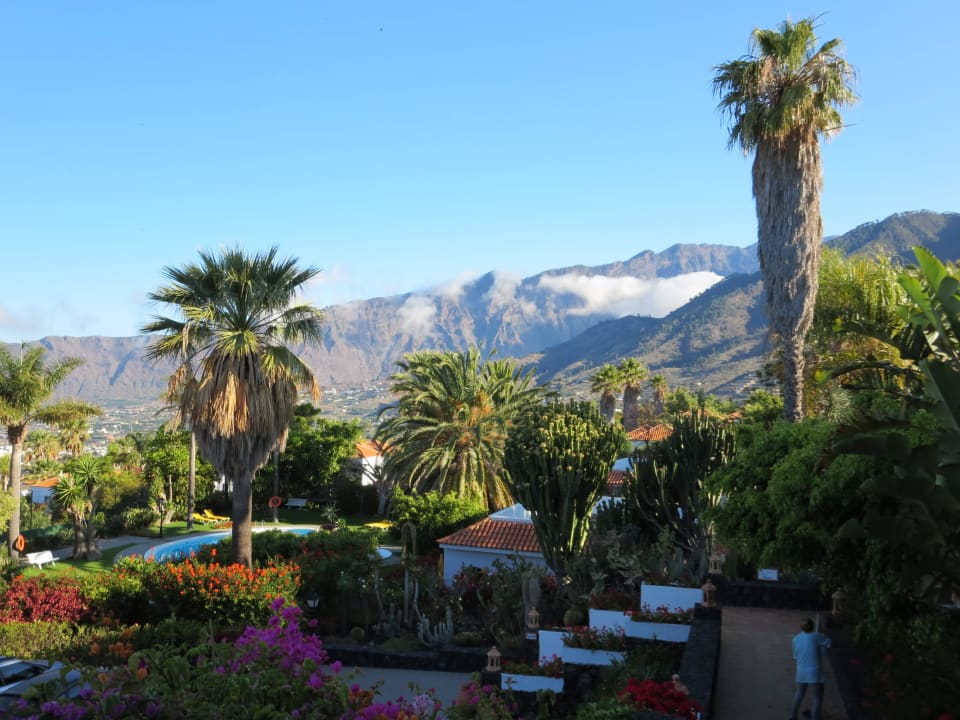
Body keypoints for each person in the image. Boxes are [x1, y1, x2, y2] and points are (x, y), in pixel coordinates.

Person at [789, 616, 832, 720]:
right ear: (812, 626)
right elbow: (829, 642)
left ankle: (793, 716)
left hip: (801, 670)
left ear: (801, 627)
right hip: (814, 670)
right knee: (817, 697)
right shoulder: (817, 636)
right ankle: (814, 717)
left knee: (799, 694)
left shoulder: (795, 639)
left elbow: (795, 656)